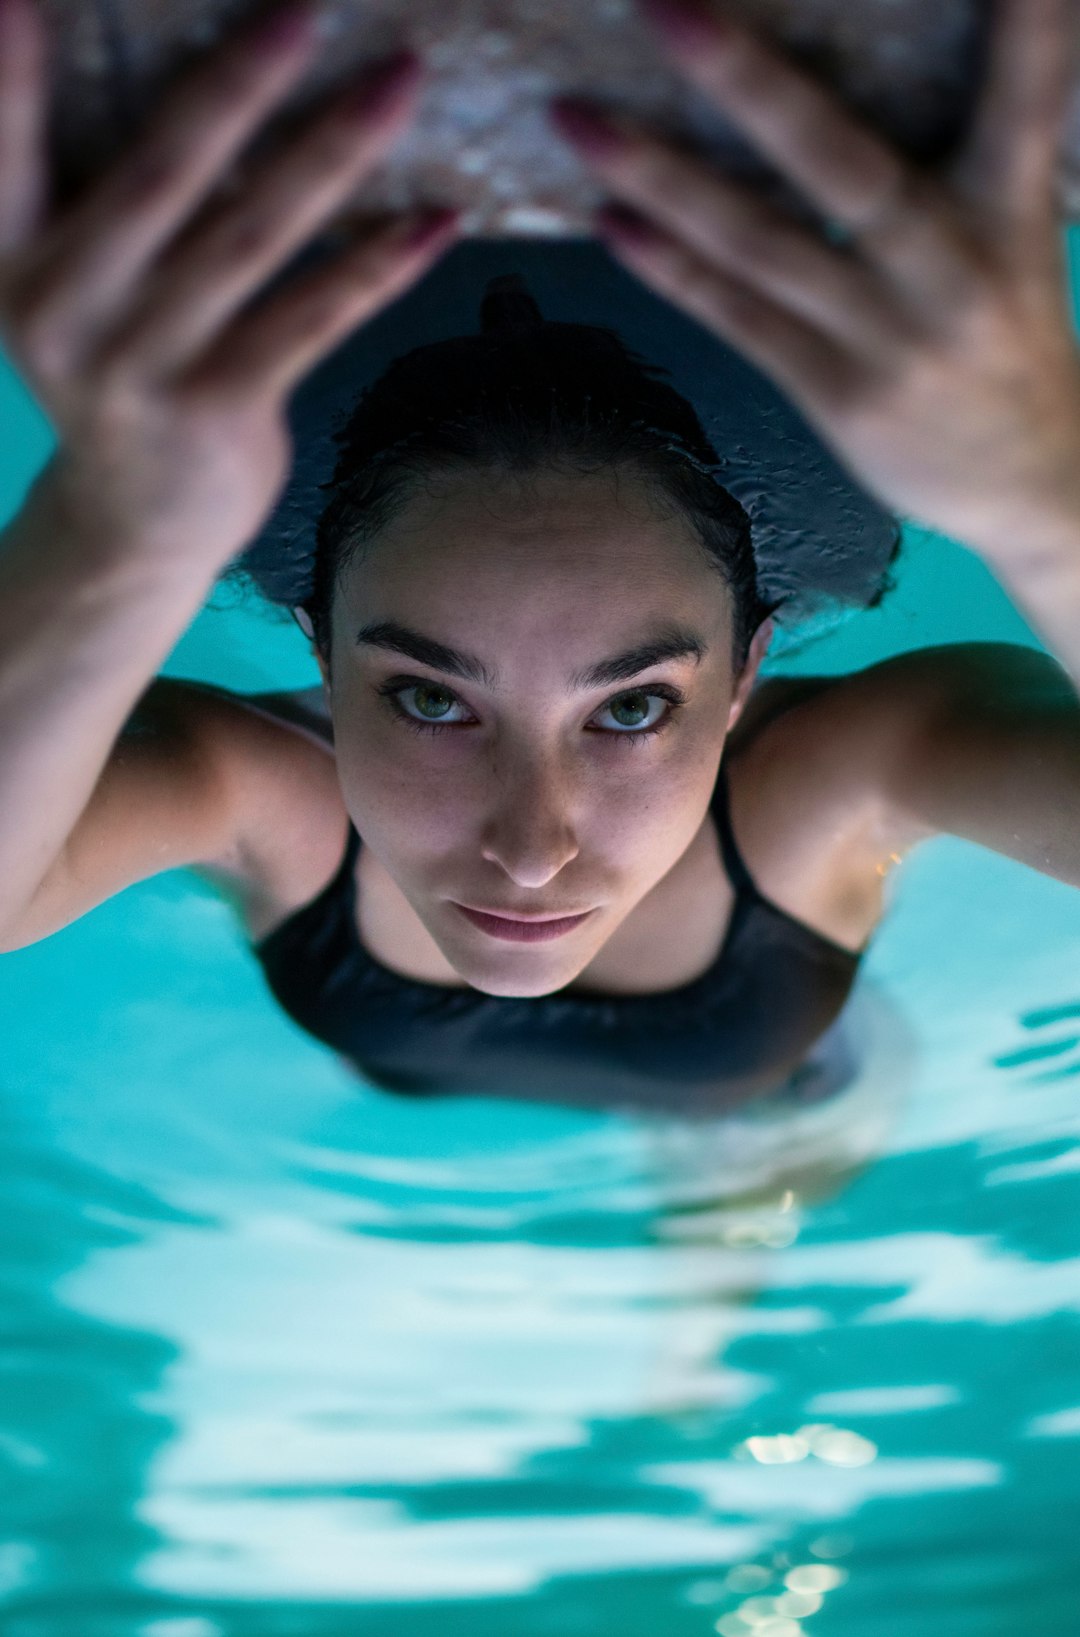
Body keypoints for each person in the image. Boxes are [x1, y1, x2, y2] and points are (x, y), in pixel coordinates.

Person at [1, 0, 1078, 1115]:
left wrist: (1045, 502)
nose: (529, 850)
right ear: (320, 650)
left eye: (631, 708)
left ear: (746, 670)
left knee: (751, 1180)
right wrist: (111, 535)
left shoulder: (842, 778)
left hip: (773, 1094)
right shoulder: (261, 787)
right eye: (426, 695)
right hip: (416, 1076)